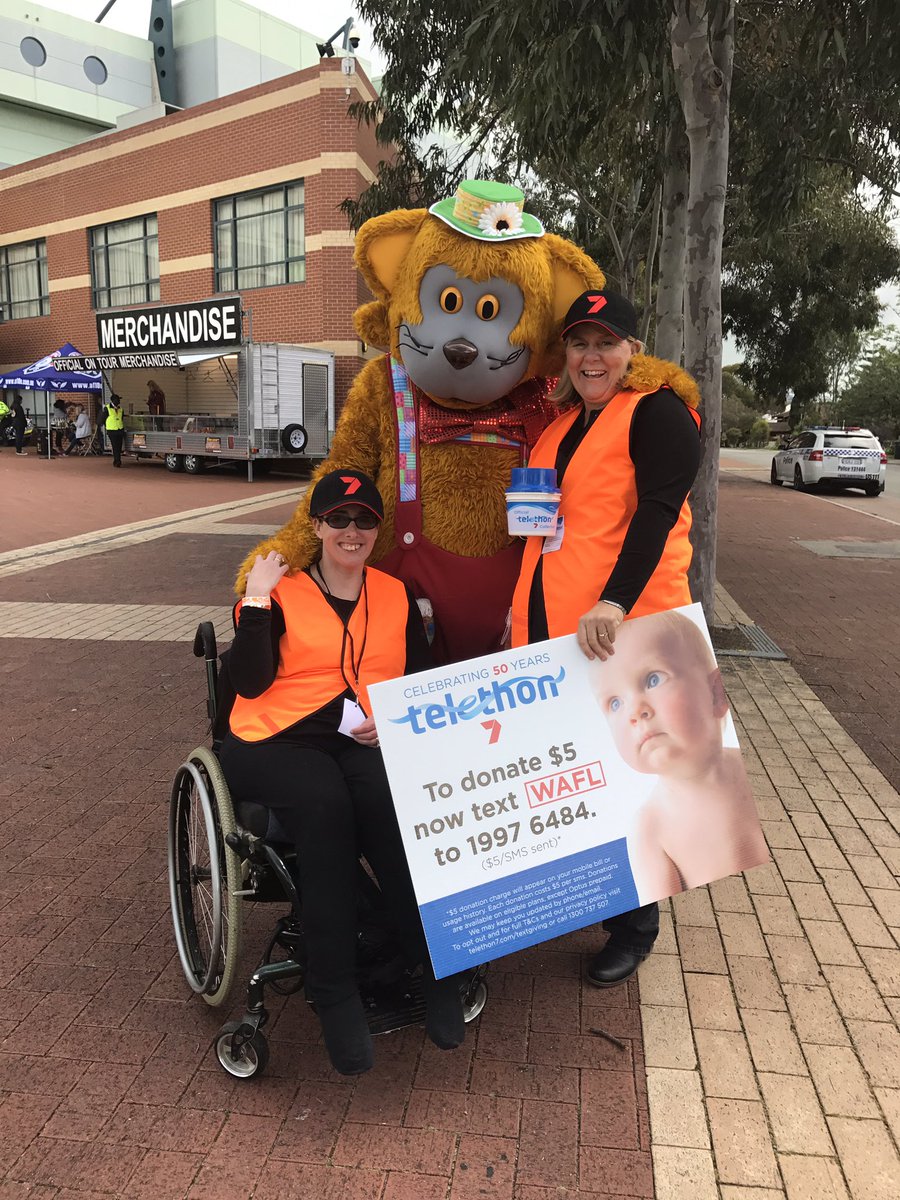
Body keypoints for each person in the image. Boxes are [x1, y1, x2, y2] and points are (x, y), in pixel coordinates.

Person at [220, 469, 465, 1075]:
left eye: (364, 520)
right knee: (326, 805)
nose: (351, 531)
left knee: (386, 803)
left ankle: (435, 971)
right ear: (317, 526)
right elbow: (247, 682)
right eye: (339, 519)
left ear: (377, 530)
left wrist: (400, 721)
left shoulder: (394, 594)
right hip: (272, 736)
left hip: (355, 735)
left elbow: (421, 676)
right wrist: (255, 597)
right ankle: (334, 992)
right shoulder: (280, 592)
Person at [511, 289, 702, 988]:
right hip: (553, 636)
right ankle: (584, 898)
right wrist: (518, 618)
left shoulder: (656, 414)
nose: (592, 356)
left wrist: (615, 601)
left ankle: (635, 928)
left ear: (633, 351)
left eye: (606, 342)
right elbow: (540, 535)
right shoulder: (558, 428)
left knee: (626, 780)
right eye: (580, 343)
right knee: (575, 779)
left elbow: (657, 511)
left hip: (626, 635)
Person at [591, 610, 768, 900]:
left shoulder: (746, 770)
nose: (636, 711)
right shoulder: (650, 827)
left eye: (652, 680)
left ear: (716, 694)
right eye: (614, 703)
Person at [103, 394, 125, 466]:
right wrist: (107, 427)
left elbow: (121, 418)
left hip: (120, 429)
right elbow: (103, 419)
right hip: (112, 430)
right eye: (118, 400)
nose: (119, 401)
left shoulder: (121, 409)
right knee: (115, 446)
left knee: (119, 446)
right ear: (113, 400)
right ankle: (117, 461)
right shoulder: (107, 408)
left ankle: (117, 460)